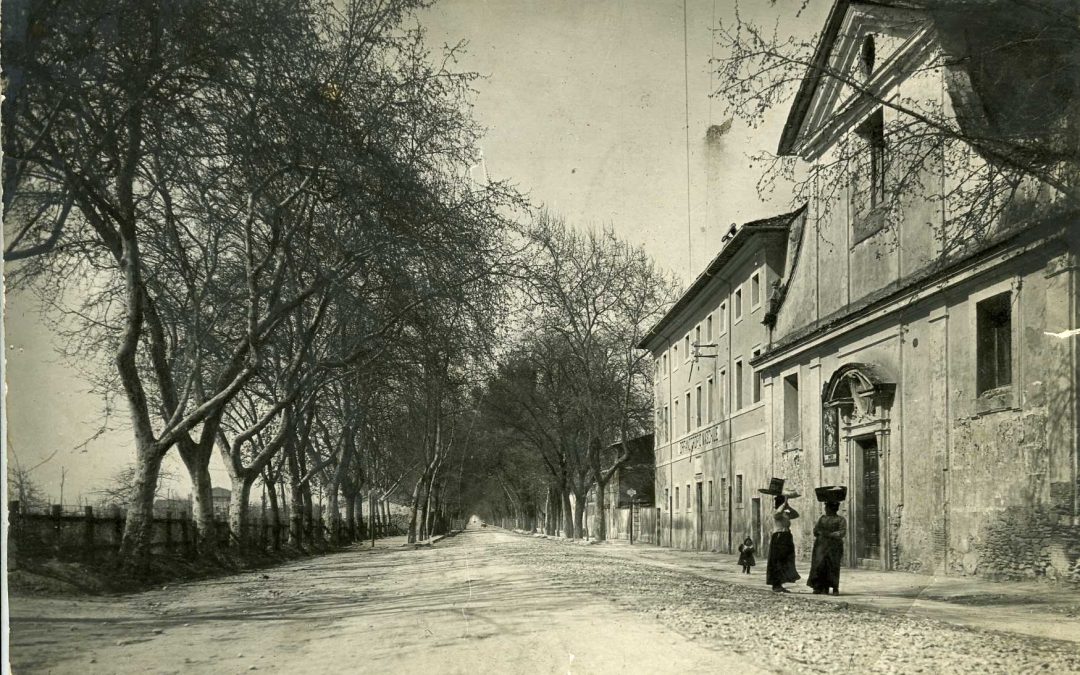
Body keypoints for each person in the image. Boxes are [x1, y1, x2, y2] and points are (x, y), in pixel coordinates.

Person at [807, 501, 846, 595]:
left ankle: (835, 588)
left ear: (833, 509)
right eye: (826, 508)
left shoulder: (840, 519)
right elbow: (816, 530)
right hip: (821, 545)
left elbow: (842, 532)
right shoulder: (822, 519)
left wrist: (830, 534)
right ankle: (820, 587)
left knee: (833, 565)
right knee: (820, 565)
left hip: (834, 546)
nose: (826, 509)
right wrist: (819, 532)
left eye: (827, 508)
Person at [766, 495, 800, 592]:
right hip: (779, 537)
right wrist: (784, 503)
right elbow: (778, 513)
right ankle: (776, 584)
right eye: (783, 504)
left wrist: (788, 507)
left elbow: (796, 514)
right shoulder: (777, 513)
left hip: (786, 537)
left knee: (785, 560)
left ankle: (780, 583)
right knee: (778, 561)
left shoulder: (785, 513)